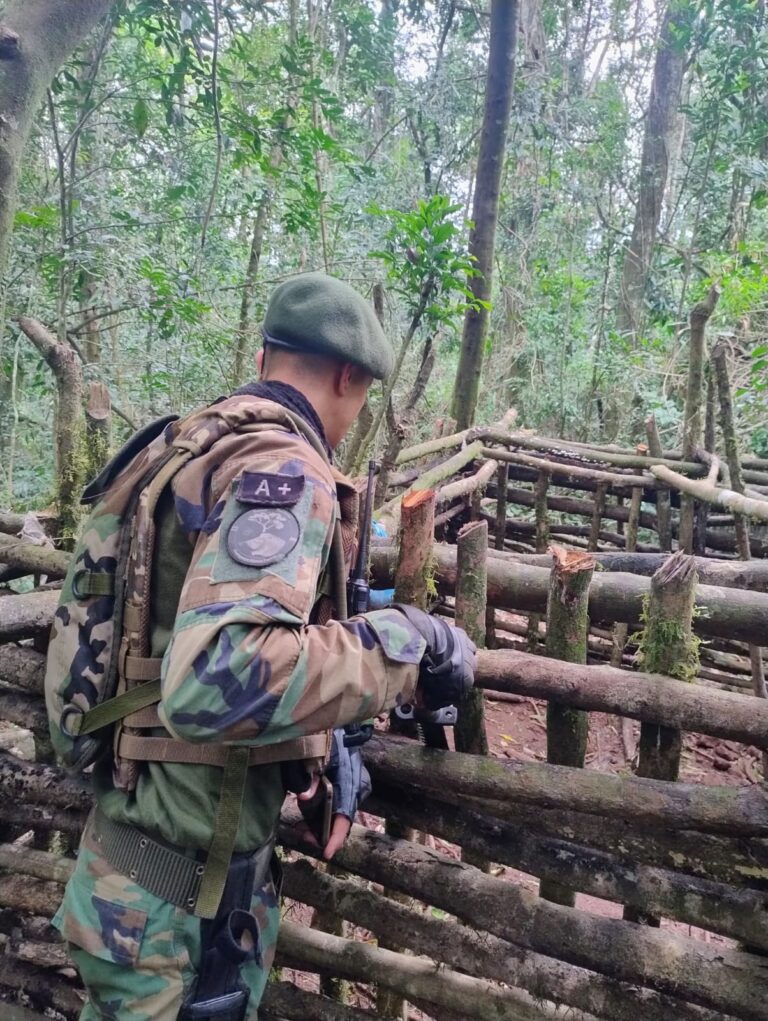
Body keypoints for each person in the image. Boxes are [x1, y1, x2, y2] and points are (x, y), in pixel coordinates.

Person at [50, 272, 476, 1021]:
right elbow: (218, 672)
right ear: (349, 376)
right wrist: (408, 646)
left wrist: (312, 747)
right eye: (364, 395)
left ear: (264, 352)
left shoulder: (194, 443)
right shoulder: (281, 469)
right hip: (171, 916)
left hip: (140, 885)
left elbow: (169, 634)